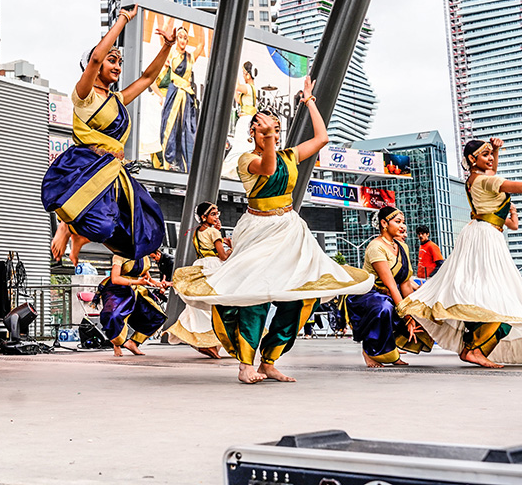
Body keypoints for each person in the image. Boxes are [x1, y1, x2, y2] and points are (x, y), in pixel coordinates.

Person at [173, 76, 372, 384]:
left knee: (299, 295)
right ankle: (245, 364)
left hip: (290, 228)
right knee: (256, 295)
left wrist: (309, 102)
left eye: (276, 129)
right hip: (259, 230)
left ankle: (270, 360)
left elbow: (321, 138)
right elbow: (267, 169)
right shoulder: (246, 159)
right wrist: (267, 141)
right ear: (253, 131)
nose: (273, 133)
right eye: (266, 128)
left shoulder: (289, 156)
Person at [398, 139, 522, 367]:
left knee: (487, 292)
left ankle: (475, 346)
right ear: (472, 159)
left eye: (491, 154)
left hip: (481, 234)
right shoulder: (486, 180)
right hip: (486, 237)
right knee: (495, 293)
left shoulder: (475, 179)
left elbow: (491, 172)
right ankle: (474, 348)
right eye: (486, 154)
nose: (491, 159)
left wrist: (496, 151)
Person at [45, 5, 173, 266]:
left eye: (119, 62)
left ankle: (75, 235)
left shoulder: (118, 99)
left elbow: (148, 78)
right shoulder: (83, 95)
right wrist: (123, 19)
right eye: (111, 60)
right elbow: (94, 59)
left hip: (114, 172)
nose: (117, 66)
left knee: (145, 223)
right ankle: (67, 228)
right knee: (102, 227)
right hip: (89, 168)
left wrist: (166, 47)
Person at [345, 207, 433, 367]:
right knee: (385, 307)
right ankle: (370, 352)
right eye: (398, 222)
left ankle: (391, 353)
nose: (403, 226)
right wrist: (406, 317)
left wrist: (412, 312)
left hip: (391, 293)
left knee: (422, 310)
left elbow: (405, 283)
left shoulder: (402, 247)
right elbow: (391, 285)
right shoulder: (375, 247)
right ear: (384, 223)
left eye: (403, 222)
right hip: (369, 296)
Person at [166, 202, 224, 358]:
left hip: (200, 266)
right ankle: (212, 344)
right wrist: (234, 248)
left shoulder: (197, 232)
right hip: (214, 267)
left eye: (217, 213)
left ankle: (209, 345)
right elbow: (223, 256)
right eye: (213, 214)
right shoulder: (213, 232)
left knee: (200, 307)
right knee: (220, 306)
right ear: (204, 217)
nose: (217, 217)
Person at [99, 250, 170, 356]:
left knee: (157, 316)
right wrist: (138, 282)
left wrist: (159, 284)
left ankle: (133, 343)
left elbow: (148, 279)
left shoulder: (143, 256)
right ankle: (117, 344)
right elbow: (115, 279)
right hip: (117, 290)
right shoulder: (120, 255)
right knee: (114, 316)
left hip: (135, 290)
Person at [155, 26, 198, 172]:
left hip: (187, 96)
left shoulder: (190, 57)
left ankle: (186, 166)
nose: (183, 40)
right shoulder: (172, 53)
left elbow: (202, 45)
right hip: (174, 94)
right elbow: (165, 42)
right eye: (180, 37)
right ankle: (168, 161)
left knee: (187, 129)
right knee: (170, 126)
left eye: (185, 38)